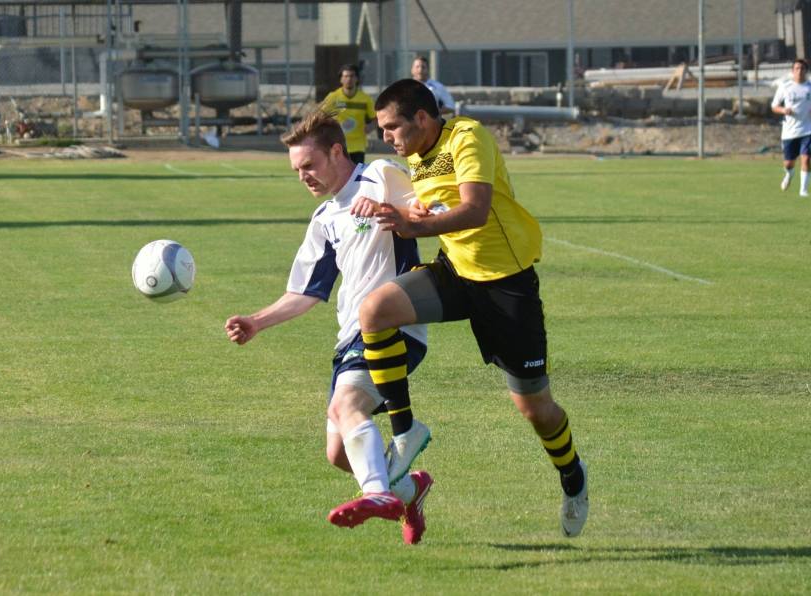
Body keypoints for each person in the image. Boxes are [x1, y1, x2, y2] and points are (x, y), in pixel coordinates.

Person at [351, 79, 589, 538]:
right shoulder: (414, 156)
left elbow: (476, 211)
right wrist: (409, 213)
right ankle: (405, 432)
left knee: (536, 409)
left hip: (507, 285)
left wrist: (411, 226)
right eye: (382, 130)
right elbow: (434, 204)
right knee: (375, 311)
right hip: (456, 272)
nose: (388, 137)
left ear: (423, 117)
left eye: (393, 126)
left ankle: (573, 476)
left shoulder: (467, 136)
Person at [224, 110, 433, 545]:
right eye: (297, 170)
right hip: (348, 338)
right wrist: (256, 322)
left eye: (309, 165)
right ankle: (411, 489)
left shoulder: (379, 174)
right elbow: (307, 291)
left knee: (346, 410)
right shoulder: (324, 218)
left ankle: (378, 494)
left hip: (391, 325)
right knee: (339, 454)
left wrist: (388, 208)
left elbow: (430, 206)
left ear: (337, 151)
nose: (303, 176)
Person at [771, 59, 811, 198]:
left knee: (806, 159)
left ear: (806, 71)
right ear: (792, 71)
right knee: (789, 163)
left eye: (802, 68)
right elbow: (774, 106)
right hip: (789, 131)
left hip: (807, 129)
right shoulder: (785, 87)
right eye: (797, 68)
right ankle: (789, 174)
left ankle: (803, 190)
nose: (799, 71)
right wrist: (784, 110)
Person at [320, 64, 376, 165]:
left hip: (358, 146)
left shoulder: (365, 99)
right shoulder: (333, 97)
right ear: (341, 79)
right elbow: (320, 115)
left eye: (352, 76)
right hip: (338, 144)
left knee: (355, 177)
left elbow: (375, 119)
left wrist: (370, 127)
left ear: (357, 79)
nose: (349, 79)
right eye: (346, 76)